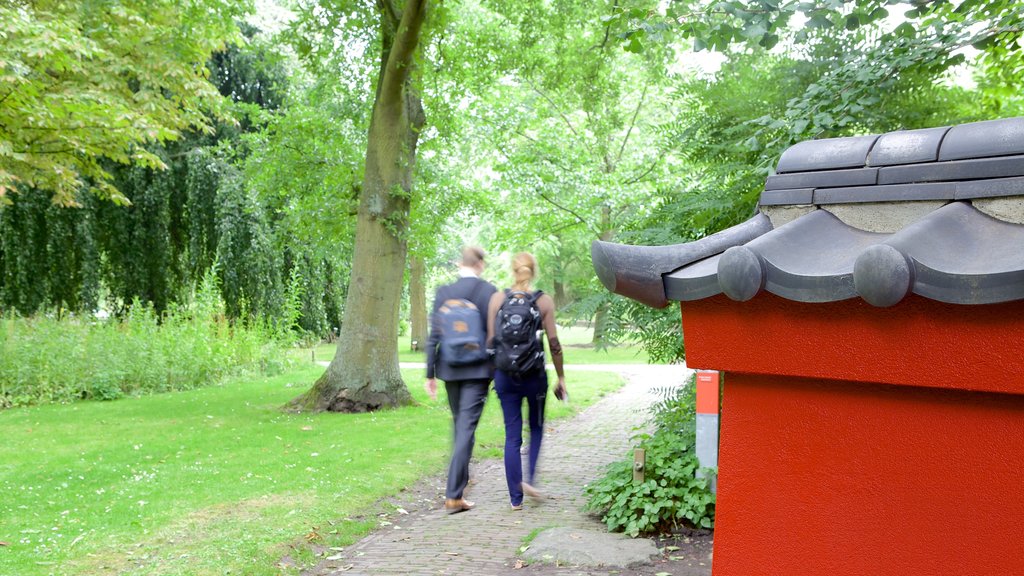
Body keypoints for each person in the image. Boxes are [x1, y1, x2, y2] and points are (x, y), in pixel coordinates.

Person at [486, 252, 567, 511]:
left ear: (513, 270)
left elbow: (491, 342)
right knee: (536, 428)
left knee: (512, 436)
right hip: (534, 376)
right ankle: (530, 479)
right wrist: (561, 377)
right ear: (534, 271)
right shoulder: (542, 301)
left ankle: (515, 499)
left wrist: (492, 376)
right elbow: (554, 344)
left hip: (505, 377)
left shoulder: (497, 299)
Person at [425, 246, 497, 514]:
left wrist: (429, 373)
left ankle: (459, 489)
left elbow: (435, 334)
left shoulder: (444, 292)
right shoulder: (488, 291)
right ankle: (453, 495)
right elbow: (494, 335)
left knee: (460, 428)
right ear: (480, 264)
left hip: (450, 368)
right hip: (477, 371)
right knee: (465, 430)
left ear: (459, 263)